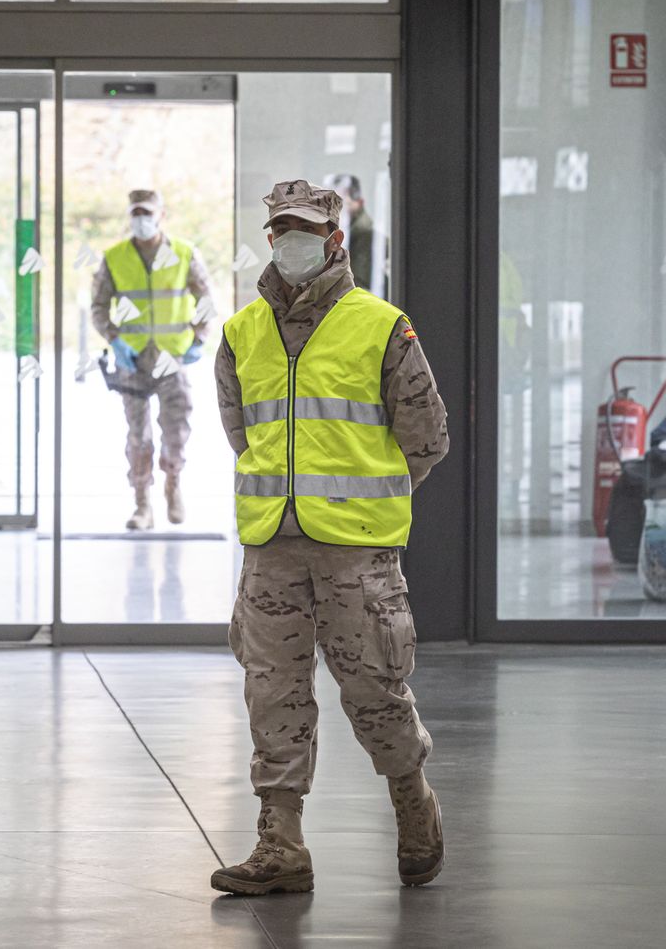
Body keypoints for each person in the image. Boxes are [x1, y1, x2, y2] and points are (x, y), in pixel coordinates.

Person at [211, 179, 449, 895]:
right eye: (281, 227)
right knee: (272, 690)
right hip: (270, 547)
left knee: (374, 685)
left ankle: (413, 800)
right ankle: (280, 841)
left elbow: (427, 438)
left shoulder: (380, 326)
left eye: (306, 228)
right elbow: (240, 432)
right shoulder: (240, 333)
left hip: (356, 551)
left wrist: (362, 499)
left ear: (334, 239)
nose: (292, 240)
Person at [89, 189, 214, 529]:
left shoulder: (185, 253)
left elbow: (205, 298)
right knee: (137, 434)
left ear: (161, 215)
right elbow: (98, 306)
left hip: (173, 357)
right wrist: (114, 340)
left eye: (147, 213)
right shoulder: (115, 257)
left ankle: (173, 487)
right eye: (135, 213)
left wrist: (199, 338)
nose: (141, 220)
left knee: (176, 429)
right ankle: (142, 503)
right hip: (134, 360)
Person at [328, 173, 377, 292]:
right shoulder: (349, 234)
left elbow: (360, 285)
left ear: (359, 202)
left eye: (340, 203)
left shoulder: (365, 236)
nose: (334, 210)